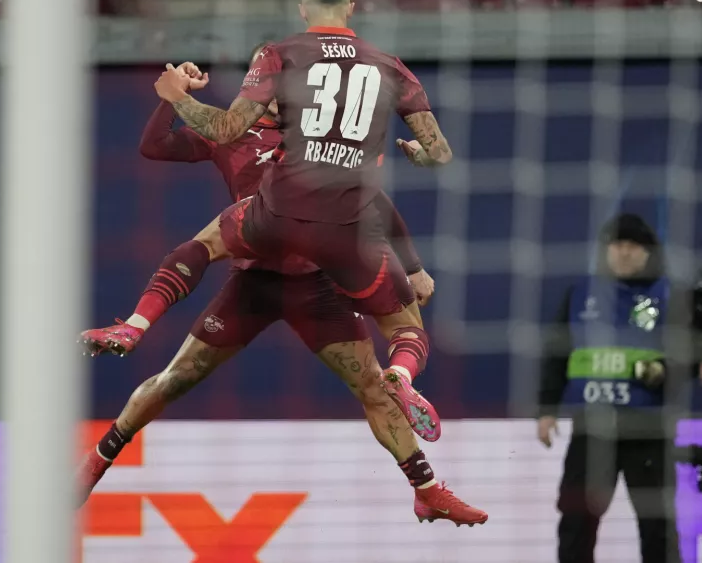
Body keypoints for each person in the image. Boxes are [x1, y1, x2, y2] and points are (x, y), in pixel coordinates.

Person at [77, 56, 487, 526]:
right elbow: (153, 147)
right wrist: (170, 99)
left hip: (318, 285)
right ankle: (96, 463)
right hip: (254, 281)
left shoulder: (316, 137)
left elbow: (371, 196)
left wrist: (413, 266)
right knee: (176, 378)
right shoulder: (228, 129)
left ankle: (427, 489)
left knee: (374, 387)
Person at [148, 0, 454, 445]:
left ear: (302, 7)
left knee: (207, 243)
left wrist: (175, 98)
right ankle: (403, 377)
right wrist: (417, 155)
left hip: (280, 218)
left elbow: (225, 129)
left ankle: (135, 323)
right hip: (347, 232)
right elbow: (439, 153)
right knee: (404, 327)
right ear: (351, 6)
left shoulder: (281, 54)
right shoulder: (390, 66)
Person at [537, 213, 685, 563]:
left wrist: (665, 369)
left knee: (657, 525)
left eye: (634, 245)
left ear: (650, 252)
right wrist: (546, 410)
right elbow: (557, 354)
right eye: (617, 244)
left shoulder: (669, 296)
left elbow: (692, 355)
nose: (624, 252)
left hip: (647, 429)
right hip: (592, 429)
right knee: (576, 520)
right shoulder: (580, 295)